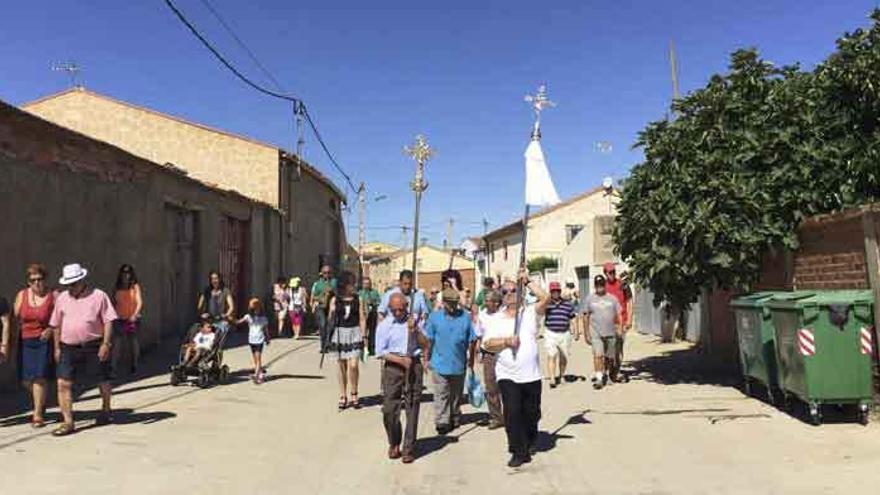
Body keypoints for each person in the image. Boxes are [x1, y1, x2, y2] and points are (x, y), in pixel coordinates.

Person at [481, 270, 550, 467]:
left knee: (531, 413)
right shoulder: (495, 319)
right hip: (507, 374)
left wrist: (527, 281)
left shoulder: (529, 313)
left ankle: (529, 439)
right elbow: (487, 344)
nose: (510, 293)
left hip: (531, 375)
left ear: (520, 292)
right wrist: (505, 341)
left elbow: (545, 298)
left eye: (514, 290)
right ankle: (517, 451)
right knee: (511, 413)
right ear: (500, 296)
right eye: (505, 291)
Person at [49, 263, 118, 436]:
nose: (71, 287)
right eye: (68, 284)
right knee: (63, 383)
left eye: (74, 283)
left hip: (93, 345)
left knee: (102, 379)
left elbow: (109, 320)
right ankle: (68, 422)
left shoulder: (99, 296)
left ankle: (106, 409)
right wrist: (56, 347)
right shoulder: (62, 298)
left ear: (82, 280)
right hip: (67, 347)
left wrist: (106, 343)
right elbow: (56, 324)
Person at [375, 292, 430, 464]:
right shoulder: (384, 326)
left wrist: (415, 331)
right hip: (393, 367)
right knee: (389, 410)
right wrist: (399, 360)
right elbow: (380, 352)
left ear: (407, 307)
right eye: (395, 310)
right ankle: (394, 441)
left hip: (413, 365)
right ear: (390, 309)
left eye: (401, 309)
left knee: (412, 406)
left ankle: (408, 448)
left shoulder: (413, 322)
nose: (399, 313)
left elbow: (425, 344)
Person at [6, 265, 55, 428]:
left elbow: (61, 317)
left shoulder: (53, 295)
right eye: (33, 280)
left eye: (39, 279)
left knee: (39, 377)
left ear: (44, 279)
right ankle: (40, 402)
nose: (37, 283)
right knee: (26, 380)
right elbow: (14, 318)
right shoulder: (22, 295)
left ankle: (38, 414)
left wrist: (50, 329)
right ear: (28, 282)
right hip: (25, 341)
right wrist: (10, 343)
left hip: (43, 341)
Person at [425, 287, 478, 435]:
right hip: (439, 362)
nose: (453, 307)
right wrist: (426, 358)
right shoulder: (434, 317)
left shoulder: (465, 318)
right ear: (444, 302)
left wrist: (471, 360)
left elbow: (472, 340)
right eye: (450, 303)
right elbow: (429, 340)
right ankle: (442, 420)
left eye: (455, 303)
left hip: (458, 362)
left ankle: (454, 415)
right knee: (441, 392)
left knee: (456, 394)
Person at [327, 271, 366, 409]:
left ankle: (354, 392)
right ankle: (343, 395)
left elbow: (362, 318)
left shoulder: (358, 299)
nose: (354, 285)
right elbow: (330, 319)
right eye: (351, 283)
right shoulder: (335, 300)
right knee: (341, 365)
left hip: (354, 332)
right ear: (345, 284)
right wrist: (331, 312)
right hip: (339, 333)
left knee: (354, 365)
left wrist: (364, 336)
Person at [581, 275, 622, 389]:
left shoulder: (612, 298)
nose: (600, 288)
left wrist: (620, 327)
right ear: (595, 286)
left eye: (601, 285)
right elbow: (585, 316)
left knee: (610, 357)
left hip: (610, 332)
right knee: (598, 355)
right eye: (597, 285)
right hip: (596, 333)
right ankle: (599, 378)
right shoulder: (590, 299)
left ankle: (607, 374)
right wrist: (586, 333)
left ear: (605, 285)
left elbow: (618, 313)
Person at [475, 289, 504, 429]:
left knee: (506, 386)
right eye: (485, 300)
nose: (485, 303)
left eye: (488, 301)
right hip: (488, 354)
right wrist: (478, 351)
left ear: (496, 303)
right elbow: (479, 334)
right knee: (491, 386)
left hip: (504, 354)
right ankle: (496, 417)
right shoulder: (482, 315)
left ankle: (511, 415)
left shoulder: (504, 315)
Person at [543, 281, 577, 388]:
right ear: (550, 292)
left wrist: (575, 330)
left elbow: (572, 317)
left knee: (563, 357)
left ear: (560, 291)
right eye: (553, 291)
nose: (555, 293)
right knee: (552, 355)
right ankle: (552, 378)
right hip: (550, 332)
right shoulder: (546, 304)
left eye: (557, 291)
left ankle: (561, 376)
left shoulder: (567, 304)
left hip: (565, 333)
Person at [603, 263, 633, 382]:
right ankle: (607, 373)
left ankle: (615, 373)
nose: (612, 274)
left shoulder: (623, 285)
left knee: (619, 350)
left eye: (613, 272)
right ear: (605, 273)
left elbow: (630, 301)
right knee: (609, 350)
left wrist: (630, 319)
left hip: (622, 322)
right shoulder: (603, 286)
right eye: (610, 272)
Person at [112, 264, 143, 375]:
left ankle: (134, 364)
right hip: (119, 318)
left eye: (128, 272)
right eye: (124, 272)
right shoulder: (117, 286)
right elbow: (113, 302)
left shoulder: (135, 286)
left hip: (132, 318)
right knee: (117, 343)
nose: (126, 275)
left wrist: (135, 314)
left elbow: (139, 302)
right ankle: (113, 368)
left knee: (133, 342)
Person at [237, 298, 270, 384]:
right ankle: (260, 373)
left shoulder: (263, 318)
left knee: (258, 358)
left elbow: (265, 330)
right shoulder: (248, 317)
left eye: (257, 309)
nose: (256, 311)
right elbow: (239, 322)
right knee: (255, 358)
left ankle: (256, 374)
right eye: (254, 309)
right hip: (251, 340)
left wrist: (267, 338)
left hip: (259, 340)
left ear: (259, 308)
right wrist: (230, 319)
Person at [311, 265, 336, 350]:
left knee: (332, 325)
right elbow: (314, 296)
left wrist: (332, 291)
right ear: (322, 273)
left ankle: (329, 341)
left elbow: (339, 292)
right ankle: (323, 346)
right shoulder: (318, 283)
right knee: (323, 324)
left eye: (328, 273)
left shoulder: (334, 282)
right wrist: (321, 298)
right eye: (325, 273)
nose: (327, 275)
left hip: (331, 306)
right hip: (321, 306)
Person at [358, 277, 381, 356]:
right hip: (362, 315)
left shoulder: (374, 292)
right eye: (365, 284)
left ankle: (371, 349)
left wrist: (373, 302)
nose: (367, 285)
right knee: (362, 332)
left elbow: (379, 302)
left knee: (372, 332)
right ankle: (363, 348)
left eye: (368, 284)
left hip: (372, 314)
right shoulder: (360, 293)